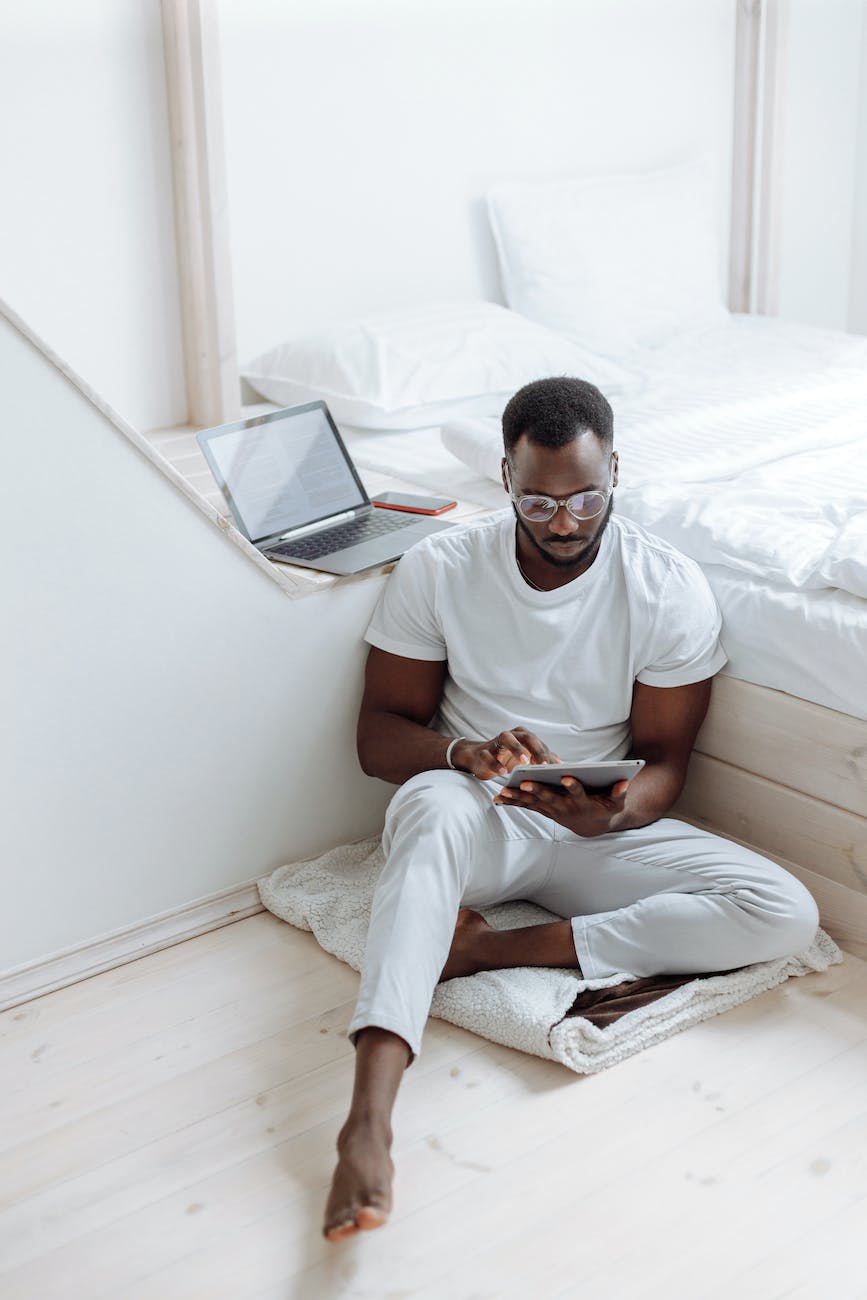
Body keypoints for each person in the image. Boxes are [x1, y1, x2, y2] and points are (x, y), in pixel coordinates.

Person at [322, 377, 820, 1242]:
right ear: (505, 479)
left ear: (616, 471)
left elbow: (667, 763)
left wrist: (615, 815)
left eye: (586, 497)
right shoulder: (441, 568)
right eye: (540, 500)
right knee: (434, 810)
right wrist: (462, 754)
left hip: (592, 831)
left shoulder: (665, 586)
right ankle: (367, 1121)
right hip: (474, 813)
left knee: (783, 911)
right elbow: (378, 738)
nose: (564, 521)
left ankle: (488, 949)